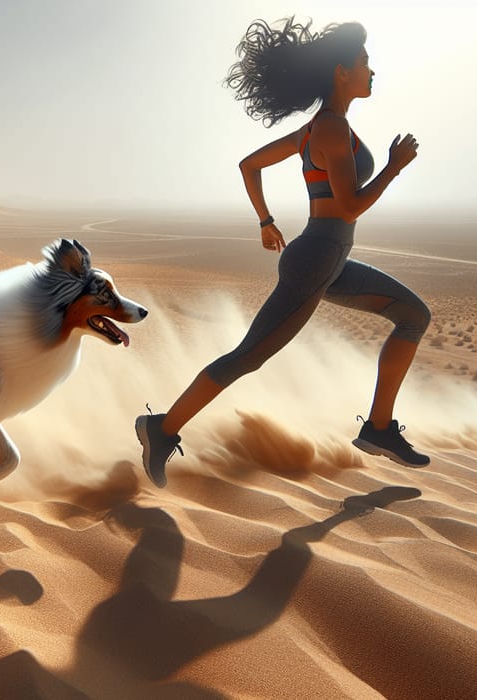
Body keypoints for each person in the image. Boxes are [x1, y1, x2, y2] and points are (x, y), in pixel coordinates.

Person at [135, 17, 431, 488]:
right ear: (341, 72)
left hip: (326, 260)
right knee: (248, 357)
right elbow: (351, 205)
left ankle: (378, 428)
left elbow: (248, 165)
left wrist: (266, 221)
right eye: (364, 62)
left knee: (414, 315)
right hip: (316, 259)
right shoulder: (330, 130)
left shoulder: (321, 129)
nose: (371, 70)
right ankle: (161, 427)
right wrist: (393, 168)